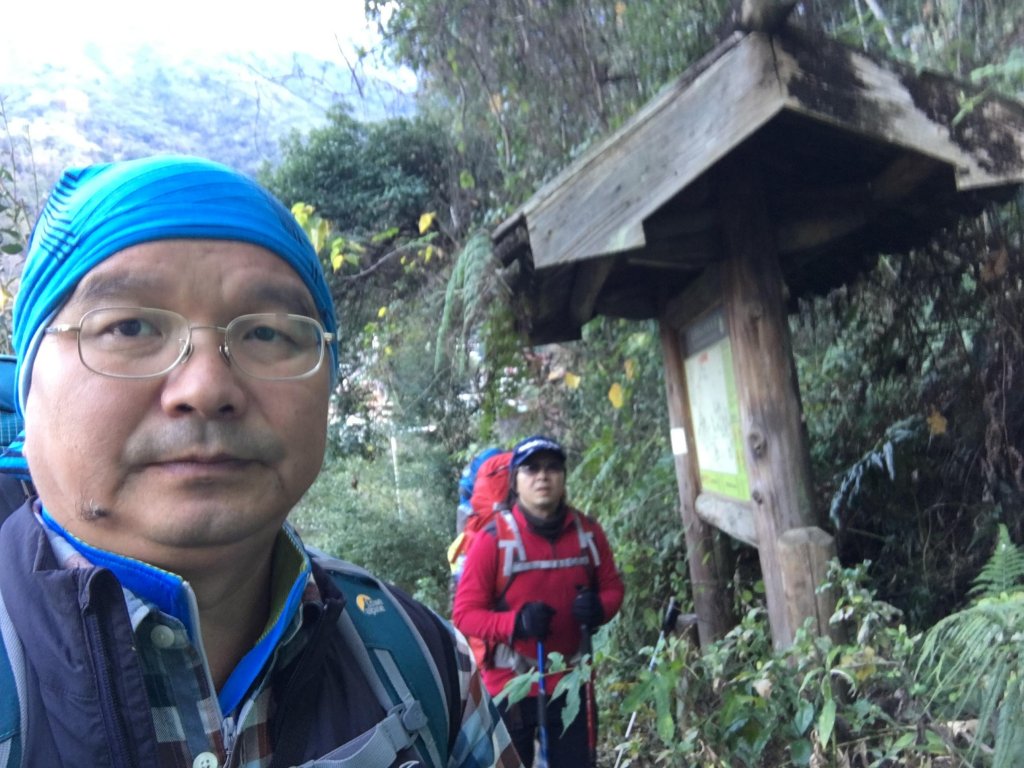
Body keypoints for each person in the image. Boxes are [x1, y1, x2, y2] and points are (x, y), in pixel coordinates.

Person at [0, 155, 521, 768]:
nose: (206, 386)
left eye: (269, 333)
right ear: (28, 384)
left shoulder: (419, 661)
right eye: (130, 325)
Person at [452, 435, 625, 767]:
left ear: (563, 477)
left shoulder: (587, 533)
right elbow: (465, 615)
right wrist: (516, 623)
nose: (542, 476)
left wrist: (600, 607)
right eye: (531, 468)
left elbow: (613, 587)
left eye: (552, 467)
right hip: (511, 685)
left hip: (570, 681)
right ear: (515, 481)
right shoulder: (492, 541)